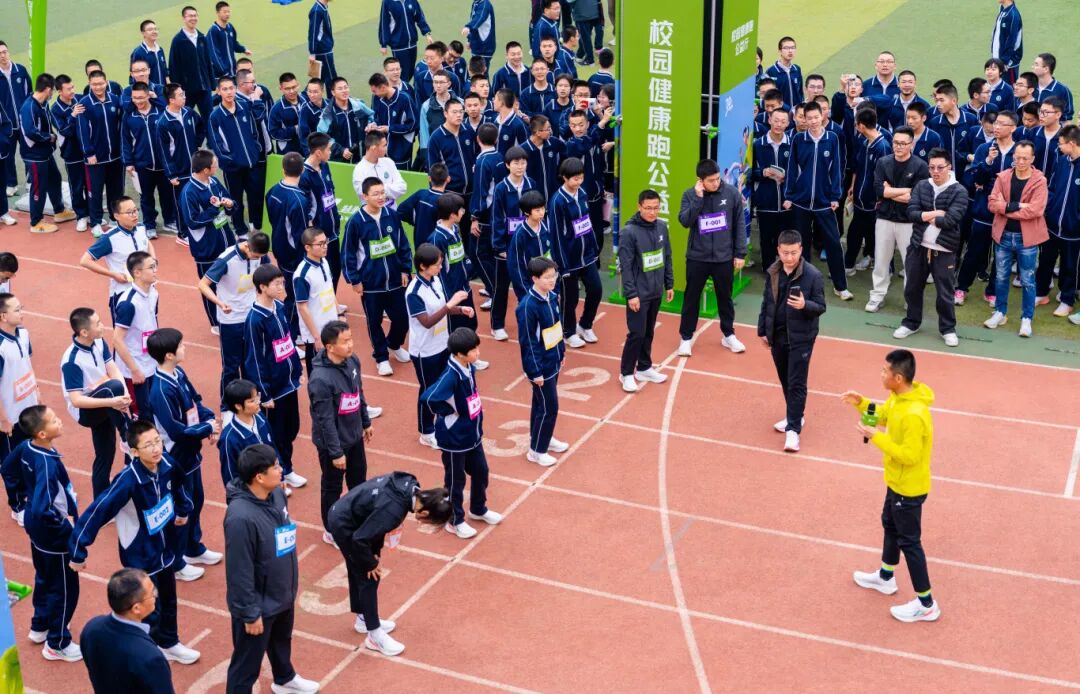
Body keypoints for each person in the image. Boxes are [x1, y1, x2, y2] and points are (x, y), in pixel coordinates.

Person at [70, 420, 202, 664]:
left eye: (157, 441)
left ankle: (169, 642)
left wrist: (184, 508)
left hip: (166, 549)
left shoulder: (167, 464)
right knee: (148, 607)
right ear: (134, 451)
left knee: (169, 599)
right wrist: (78, 548)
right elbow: (98, 511)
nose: (156, 448)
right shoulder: (127, 481)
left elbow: (179, 484)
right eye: (148, 445)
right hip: (140, 554)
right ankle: (148, 650)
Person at [845, 349, 940, 623]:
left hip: (909, 488)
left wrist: (876, 437)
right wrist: (862, 403)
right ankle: (886, 577)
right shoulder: (898, 398)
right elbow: (884, 415)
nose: (881, 374)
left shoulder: (914, 414)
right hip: (896, 481)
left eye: (885, 371)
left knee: (910, 542)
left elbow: (909, 456)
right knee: (889, 524)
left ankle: (927, 604)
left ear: (898, 378)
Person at [223, 444, 319, 694]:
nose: (281, 470)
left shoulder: (276, 494)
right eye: (275, 467)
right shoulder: (240, 518)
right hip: (259, 605)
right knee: (245, 667)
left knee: (281, 642)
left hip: (281, 592)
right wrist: (249, 613)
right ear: (259, 477)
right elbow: (239, 571)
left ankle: (284, 678)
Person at [326, 473, 451, 654]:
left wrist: (374, 553)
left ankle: (363, 619)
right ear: (424, 513)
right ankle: (374, 636)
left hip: (354, 515)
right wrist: (370, 562)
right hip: (344, 524)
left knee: (361, 568)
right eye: (429, 522)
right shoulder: (393, 511)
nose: (425, 524)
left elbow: (375, 522)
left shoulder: (410, 483)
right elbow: (360, 539)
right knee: (369, 577)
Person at [146, 328, 221, 579]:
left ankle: (193, 547)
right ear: (169, 355)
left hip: (191, 451)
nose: (184, 348)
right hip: (176, 455)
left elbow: (196, 401)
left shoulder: (179, 373)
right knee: (181, 507)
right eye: (181, 345)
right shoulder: (160, 390)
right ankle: (176, 561)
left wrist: (209, 419)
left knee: (197, 499)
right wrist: (207, 429)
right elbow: (176, 431)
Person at [419, 328, 503, 539]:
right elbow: (429, 398)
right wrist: (450, 412)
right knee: (455, 482)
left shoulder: (468, 367)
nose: (478, 353)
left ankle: (478, 508)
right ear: (459, 354)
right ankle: (454, 520)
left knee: (481, 471)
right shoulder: (450, 376)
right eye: (473, 350)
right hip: (454, 439)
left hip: (472, 435)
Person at [18, 406, 81, 661]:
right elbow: (42, 508)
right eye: (54, 420)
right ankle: (57, 642)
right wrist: (64, 526)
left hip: (36, 529)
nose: (60, 421)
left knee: (44, 577)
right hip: (53, 535)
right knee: (65, 588)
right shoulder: (46, 463)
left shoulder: (26, 447)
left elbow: (8, 469)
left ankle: (40, 626)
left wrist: (22, 499)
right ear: (42, 433)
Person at [757, 230, 826, 453]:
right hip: (777, 336)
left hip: (801, 338)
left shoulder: (813, 275)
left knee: (797, 383)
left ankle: (793, 430)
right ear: (778, 250)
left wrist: (805, 305)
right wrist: (762, 330)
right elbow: (767, 302)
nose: (789, 257)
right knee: (785, 379)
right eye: (785, 253)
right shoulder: (773, 271)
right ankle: (795, 415)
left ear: (801, 250)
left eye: (794, 253)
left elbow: (821, 306)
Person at [892, 148, 967, 346]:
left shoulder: (959, 191)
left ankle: (948, 329)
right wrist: (935, 214)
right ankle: (911, 323)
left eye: (940, 167)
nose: (935, 171)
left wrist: (925, 215)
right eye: (932, 167)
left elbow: (950, 220)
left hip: (944, 250)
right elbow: (912, 213)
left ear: (949, 167)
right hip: (918, 246)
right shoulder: (922, 185)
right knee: (912, 288)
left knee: (945, 293)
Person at [307, 320, 372, 540]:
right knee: (332, 487)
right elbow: (324, 420)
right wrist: (336, 453)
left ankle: (356, 517)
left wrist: (365, 422)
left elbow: (358, 393)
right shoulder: (320, 380)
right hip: (332, 445)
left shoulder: (352, 361)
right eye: (345, 342)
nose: (350, 344)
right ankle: (331, 530)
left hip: (354, 436)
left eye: (351, 339)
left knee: (358, 480)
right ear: (330, 347)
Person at [676, 159, 748, 357]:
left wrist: (740, 253)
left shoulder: (731, 193)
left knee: (725, 298)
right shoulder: (690, 195)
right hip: (697, 257)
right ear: (700, 180)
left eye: (717, 179)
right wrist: (698, 199)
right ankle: (686, 338)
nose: (716, 183)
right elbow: (685, 221)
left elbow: (739, 224)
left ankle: (728, 335)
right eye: (711, 180)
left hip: (724, 258)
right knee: (691, 298)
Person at [342, 178, 413, 376]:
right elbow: (348, 253)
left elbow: (403, 244)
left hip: (396, 280)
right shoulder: (356, 222)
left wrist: (405, 269)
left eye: (383, 192)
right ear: (364, 196)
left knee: (402, 318)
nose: (381, 197)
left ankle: (394, 344)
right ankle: (381, 357)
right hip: (371, 283)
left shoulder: (392, 215)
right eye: (376, 194)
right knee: (374, 322)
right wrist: (355, 280)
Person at [243, 264, 305, 491]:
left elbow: (287, 341)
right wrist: (264, 393)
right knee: (276, 433)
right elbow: (255, 359)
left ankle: (286, 468)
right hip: (273, 389)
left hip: (289, 383)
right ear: (262, 287)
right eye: (277, 284)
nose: (281, 287)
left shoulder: (279, 307)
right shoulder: (255, 320)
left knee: (292, 428)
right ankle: (281, 473)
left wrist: (297, 370)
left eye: (282, 282)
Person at [783, 101, 852, 300]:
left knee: (833, 244)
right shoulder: (798, 139)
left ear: (823, 116)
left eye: (816, 117)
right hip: (800, 203)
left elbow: (837, 168)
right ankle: (801, 286)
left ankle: (840, 286)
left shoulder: (832, 138)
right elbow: (791, 169)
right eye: (809, 118)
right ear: (803, 119)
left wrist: (835, 196)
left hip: (824, 203)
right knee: (801, 245)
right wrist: (789, 196)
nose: (813, 121)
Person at [407, 244, 473, 449]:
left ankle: (443, 422)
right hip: (424, 351)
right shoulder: (414, 292)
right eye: (436, 264)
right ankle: (426, 432)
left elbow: (441, 308)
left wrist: (459, 309)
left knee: (444, 386)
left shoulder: (435, 280)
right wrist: (451, 304)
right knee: (429, 391)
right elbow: (427, 321)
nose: (440, 267)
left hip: (442, 345)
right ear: (422, 266)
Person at [61, 308, 132, 498]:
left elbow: (113, 368)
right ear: (84, 332)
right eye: (98, 323)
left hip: (107, 402)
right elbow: (76, 400)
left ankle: (100, 503)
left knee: (105, 455)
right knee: (113, 387)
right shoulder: (72, 361)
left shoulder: (99, 342)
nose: (103, 326)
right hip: (87, 411)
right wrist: (113, 400)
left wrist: (124, 394)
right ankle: (128, 435)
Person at [985, 140, 1047, 337]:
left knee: (1028, 280)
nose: (1020, 162)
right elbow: (992, 203)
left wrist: (1006, 208)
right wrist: (1017, 206)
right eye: (1017, 157)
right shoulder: (1003, 177)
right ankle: (1000, 312)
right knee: (1001, 277)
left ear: (1032, 159)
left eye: (1025, 158)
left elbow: (1036, 210)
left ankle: (1026, 318)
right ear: (1013, 157)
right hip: (1002, 236)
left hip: (1027, 238)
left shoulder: (1040, 181)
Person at [200, 232, 272, 401]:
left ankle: (249, 402)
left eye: (260, 256)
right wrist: (219, 303)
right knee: (231, 367)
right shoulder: (226, 260)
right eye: (255, 256)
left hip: (252, 317)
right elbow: (203, 284)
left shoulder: (260, 255)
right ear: (247, 246)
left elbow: (267, 274)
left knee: (251, 363)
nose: (258, 259)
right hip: (231, 320)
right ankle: (227, 405)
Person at [957, 110, 1018, 305]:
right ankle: (961, 287)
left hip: (1006, 211)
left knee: (1002, 255)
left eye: (1002, 124)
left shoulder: (1019, 151)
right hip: (983, 209)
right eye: (996, 123)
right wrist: (988, 162)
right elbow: (976, 178)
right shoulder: (985, 148)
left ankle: (992, 291)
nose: (996, 127)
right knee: (974, 250)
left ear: (1013, 128)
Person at [81, 568, 175, 693]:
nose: (155, 595)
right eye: (152, 593)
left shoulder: (92, 628)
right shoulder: (150, 657)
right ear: (136, 608)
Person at [866, 126, 929, 313]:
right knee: (881, 260)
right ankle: (877, 295)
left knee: (911, 263)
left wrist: (890, 191)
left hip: (908, 221)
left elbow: (915, 196)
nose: (898, 146)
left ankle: (911, 299)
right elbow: (880, 190)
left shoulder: (920, 166)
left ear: (911, 144)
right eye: (895, 142)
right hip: (884, 218)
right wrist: (901, 192)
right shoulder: (883, 162)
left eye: (903, 143)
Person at [514, 256, 569, 466]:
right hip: (541, 367)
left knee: (540, 405)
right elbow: (528, 342)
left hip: (553, 360)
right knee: (549, 407)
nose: (552, 280)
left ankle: (542, 437)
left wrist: (561, 351)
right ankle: (537, 451)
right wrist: (535, 371)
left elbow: (556, 326)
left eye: (553, 276)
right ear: (535, 279)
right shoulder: (528, 307)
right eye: (547, 277)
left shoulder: (552, 297)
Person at [619, 189, 675, 393]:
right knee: (637, 333)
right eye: (648, 208)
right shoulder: (629, 232)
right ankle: (626, 373)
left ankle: (644, 367)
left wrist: (669, 283)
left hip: (655, 290)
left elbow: (666, 256)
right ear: (639, 207)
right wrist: (631, 294)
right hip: (638, 293)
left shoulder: (662, 227)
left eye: (656, 208)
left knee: (649, 331)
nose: (652, 212)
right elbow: (626, 266)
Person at [180, 149, 240, 330]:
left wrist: (229, 204)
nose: (217, 167)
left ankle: (232, 312)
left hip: (226, 241)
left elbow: (229, 200)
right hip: (206, 248)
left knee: (230, 279)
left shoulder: (213, 182)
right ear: (206, 170)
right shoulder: (189, 192)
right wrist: (215, 209)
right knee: (210, 285)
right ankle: (215, 322)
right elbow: (192, 221)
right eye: (215, 165)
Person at [549, 158, 601, 348]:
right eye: (575, 179)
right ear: (564, 177)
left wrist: (594, 248)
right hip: (569, 260)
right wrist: (562, 265)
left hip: (587, 255)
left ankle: (585, 325)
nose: (578, 182)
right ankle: (568, 332)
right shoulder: (558, 201)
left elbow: (587, 223)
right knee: (569, 299)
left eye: (581, 178)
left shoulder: (582, 193)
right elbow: (556, 235)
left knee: (596, 289)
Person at [80, 194, 157, 324]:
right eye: (129, 212)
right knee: (124, 331)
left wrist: (153, 260)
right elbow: (85, 261)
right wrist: (113, 274)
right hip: (123, 293)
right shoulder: (109, 238)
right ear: (116, 216)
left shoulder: (141, 227)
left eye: (135, 210)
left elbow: (147, 242)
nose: (134, 215)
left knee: (149, 328)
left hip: (146, 289)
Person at [266, 152, 313, 341]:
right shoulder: (299, 200)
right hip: (294, 256)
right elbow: (300, 235)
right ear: (302, 170)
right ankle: (292, 336)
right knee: (293, 296)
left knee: (289, 291)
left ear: (283, 169)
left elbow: (273, 219)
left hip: (279, 248)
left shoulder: (273, 191)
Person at [0, 292, 38, 522]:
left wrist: (36, 391)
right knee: (11, 463)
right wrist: (3, 418)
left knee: (31, 455)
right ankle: (18, 506)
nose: (21, 312)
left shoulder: (23, 333)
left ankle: (32, 497)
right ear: (3, 316)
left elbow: (27, 364)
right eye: (16, 310)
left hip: (29, 409)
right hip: (10, 417)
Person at [19, 73, 74, 234]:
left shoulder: (43, 104)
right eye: (53, 91)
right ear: (48, 90)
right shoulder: (29, 107)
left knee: (55, 179)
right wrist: (49, 137)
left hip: (45, 153)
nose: (53, 94)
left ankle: (59, 211)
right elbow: (30, 131)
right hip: (34, 156)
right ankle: (36, 222)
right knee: (39, 188)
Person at [208, 76, 263, 233]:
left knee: (255, 196)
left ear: (235, 89)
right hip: (233, 168)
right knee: (235, 199)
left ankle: (256, 224)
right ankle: (240, 230)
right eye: (224, 89)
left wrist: (255, 150)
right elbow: (217, 144)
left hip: (252, 163)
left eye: (231, 88)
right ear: (219, 92)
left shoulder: (244, 106)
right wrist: (231, 161)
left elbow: (254, 132)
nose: (229, 92)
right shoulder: (215, 116)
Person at [121, 83, 173, 239]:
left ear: (148, 96)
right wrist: (129, 163)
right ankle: (150, 225)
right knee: (146, 197)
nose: (138, 101)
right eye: (135, 98)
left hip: (164, 164)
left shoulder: (161, 111)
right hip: (142, 165)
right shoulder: (129, 117)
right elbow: (125, 141)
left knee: (167, 194)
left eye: (141, 97)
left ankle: (169, 220)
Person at [112, 252, 160, 421]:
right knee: (141, 414)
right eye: (151, 267)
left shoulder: (154, 293)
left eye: (155, 266)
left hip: (150, 360)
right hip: (134, 366)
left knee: (154, 407)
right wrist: (134, 370)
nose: (155, 270)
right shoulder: (128, 303)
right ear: (137, 273)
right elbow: (117, 339)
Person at [78, 70, 125, 238]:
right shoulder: (84, 104)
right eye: (94, 84)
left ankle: (114, 219)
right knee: (95, 192)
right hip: (95, 158)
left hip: (116, 156)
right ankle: (96, 222)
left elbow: (122, 125)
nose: (98, 87)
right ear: (89, 84)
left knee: (116, 190)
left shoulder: (115, 100)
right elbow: (82, 131)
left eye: (101, 83)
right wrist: (89, 153)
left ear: (106, 82)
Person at [158, 83, 206, 247]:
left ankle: (195, 228)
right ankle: (182, 233)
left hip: (195, 168)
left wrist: (197, 142)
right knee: (181, 204)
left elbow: (201, 126)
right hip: (179, 171)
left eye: (184, 94)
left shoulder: (189, 112)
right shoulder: (163, 123)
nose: (184, 97)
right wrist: (171, 174)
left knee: (196, 199)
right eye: (180, 95)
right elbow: (164, 151)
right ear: (171, 100)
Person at [846, 108, 891, 275]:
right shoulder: (865, 143)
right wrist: (853, 187)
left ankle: (885, 268)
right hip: (860, 201)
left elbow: (886, 177)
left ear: (862, 126)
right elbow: (859, 169)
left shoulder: (883, 147)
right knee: (856, 232)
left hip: (874, 203)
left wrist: (879, 199)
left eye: (856, 124)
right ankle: (850, 264)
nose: (855, 127)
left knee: (876, 236)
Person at [1043, 124, 1080, 319]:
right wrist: (1049, 210)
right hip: (1052, 225)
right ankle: (1041, 293)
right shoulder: (1062, 161)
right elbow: (1052, 188)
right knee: (1046, 261)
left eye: (1061, 143)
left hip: (1074, 231)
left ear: (1072, 144)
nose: (1059, 146)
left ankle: (1067, 300)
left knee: (1069, 266)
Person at [299, 132, 344, 291]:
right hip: (319, 234)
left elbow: (331, 192)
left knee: (336, 269)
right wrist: (314, 229)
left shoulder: (325, 166)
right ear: (318, 152)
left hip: (333, 230)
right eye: (328, 149)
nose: (331, 152)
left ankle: (332, 301)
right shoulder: (304, 175)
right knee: (322, 273)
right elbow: (306, 207)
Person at [294, 227, 339, 375]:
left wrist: (339, 315)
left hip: (331, 329)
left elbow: (330, 289)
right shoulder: (302, 275)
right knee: (318, 376)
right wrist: (316, 337)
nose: (325, 246)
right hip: (317, 335)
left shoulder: (324, 261)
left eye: (326, 242)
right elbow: (302, 307)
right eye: (320, 244)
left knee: (334, 372)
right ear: (307, 247)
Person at [218, 379, 278, 488]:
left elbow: (273, 448)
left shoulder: (261, 419)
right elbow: (230, 476)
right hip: (252, 493)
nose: (258, 402)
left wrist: (280, 476)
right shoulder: (229, 439)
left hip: (270, 485)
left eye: (257, 397)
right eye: (252, 401)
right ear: (238, 406)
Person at [752, 109, 792, 269]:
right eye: (776, 120)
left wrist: (787, 177)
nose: (779, 124)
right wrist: (762, 172)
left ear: (788, 123)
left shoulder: (792, 143)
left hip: (786, 201)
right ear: (769, 120)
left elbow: (799, 171)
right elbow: (748, 172)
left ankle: (784, 266)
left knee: (784, 238)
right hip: (765, 200)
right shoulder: (758, 144)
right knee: (766, 237)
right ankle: (768, 268)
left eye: (783, 121)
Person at [49, 74, 89, 231]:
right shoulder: (55, 109)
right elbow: (65, 131)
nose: (72, 91)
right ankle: (81, 216)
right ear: (59, 91)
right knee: (77, 186)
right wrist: (73, 115)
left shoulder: (79, 99)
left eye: (73, 87)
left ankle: (92, 214)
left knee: (90, 184)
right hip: (71, 153)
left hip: (87, 150)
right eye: (68, 89)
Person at [168, 6, 215, 119]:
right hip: (186, 91)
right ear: (184, 18)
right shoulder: (178, 40)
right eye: (190, 16)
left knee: (209, 118)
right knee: (185, 119)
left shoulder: (202, 37)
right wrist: (177, 90)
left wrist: (212, 84)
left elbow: (208, 62)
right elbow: (173, 66)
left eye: (195, 16)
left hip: (204, 88)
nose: (193, 18)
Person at [507, 190, 555, 299]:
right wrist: (525, 294)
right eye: (537, 210)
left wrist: (555, 287)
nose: (541, 213)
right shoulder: (520, 235)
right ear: (527, 212)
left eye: (542, 208)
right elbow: (516, 268)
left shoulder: (546, 227)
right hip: (530, 289)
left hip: (548, 285)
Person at [0, 41, 32, 195]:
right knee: (8, 156)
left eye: (4, 52)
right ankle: (11, 184)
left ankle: (31, 182)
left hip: (25, 123)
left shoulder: (21, 70)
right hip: (7, 126)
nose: (2, 56)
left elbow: (30, 94)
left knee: (29, 153)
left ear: (9, 52)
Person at [367, 73, 417, 170]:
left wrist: (390, 129)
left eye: (374, 91)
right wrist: (373, 125)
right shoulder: (379, 100)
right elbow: (377, 119)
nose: (374, 94)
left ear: (383, 88)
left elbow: (413, 124)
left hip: (401, 153)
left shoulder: (405, 99)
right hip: (382, 154)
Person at [378, 0, 432, 84]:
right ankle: (400, 90)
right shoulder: (387, 2)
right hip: (398, 46)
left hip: (412, 44)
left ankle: (401, 88)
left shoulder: (412, 1)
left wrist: (427, 33)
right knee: (402, 74)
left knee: (410, 71)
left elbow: (419, 16)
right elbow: (384, 23)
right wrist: (383, 44)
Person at [398, 162, 449, 248]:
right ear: (448, 179)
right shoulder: (446, 201)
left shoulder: (421, 194)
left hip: (419, 244)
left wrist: (416, 221)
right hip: (438, 246)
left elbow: (401, 210)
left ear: (429, 178)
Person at [353, 131, 407, 208]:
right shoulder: (359, 170)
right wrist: (390, 189)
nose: (386, 148)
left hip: (392, 212)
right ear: (374, 148)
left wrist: (377, 190)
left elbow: (402, 187)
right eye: (384, 145)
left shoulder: (388, 162)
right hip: (373, 214)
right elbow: (366, 196)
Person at [207, 1, 248, 81]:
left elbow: (234, 43)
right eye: (225, 12)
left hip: (233, 72)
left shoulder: (230, 27)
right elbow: (214, 54)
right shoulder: (213, 31)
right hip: (221, 76)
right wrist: (223, 72)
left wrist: (243, 49)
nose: (227, 14)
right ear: (218, 13)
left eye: (228, 12)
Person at [269, 72, 304, 156]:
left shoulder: (305, 101)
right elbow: (273, 133)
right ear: (281, 88)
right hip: (288, 154)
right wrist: (295, 129)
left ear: (298, 85)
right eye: (287, 89)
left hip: (307, 149)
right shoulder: (276, 109)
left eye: (294, 87)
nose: (291, 91)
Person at [1032, 53, 1073, 122]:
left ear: (1046, 69)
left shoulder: (1062, 90)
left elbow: (1067, 118)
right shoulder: (1029, 86)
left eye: (1036, 64)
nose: (1033, 67)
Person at [766, 37, 803, 108]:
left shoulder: (797, 69)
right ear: (780, 51)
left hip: (797, 112)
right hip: (780, 112)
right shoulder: (771, 71)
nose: (790, 51)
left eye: (792, 48)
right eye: (786, 48)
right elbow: (769, 96)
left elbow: (800, 92)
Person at [991, 0, 1023, 83]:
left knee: (1009, 89)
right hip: (997, 61)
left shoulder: (1013, 15)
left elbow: (1011, 40)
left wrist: (1005, 61)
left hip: (1007, 64)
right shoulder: (1003, 10)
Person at [132, 19, 169, 86]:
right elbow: (135, 76)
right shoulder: (138, 53)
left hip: (162, 90)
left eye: (155, 29)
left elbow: (165, 71)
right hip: (148, 90)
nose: (154, 32)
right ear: (143, 33)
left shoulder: (160, 50)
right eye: (150, 30)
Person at [308, 0, 336, 85]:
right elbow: (313, 32)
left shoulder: (323, 7)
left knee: (319, 79)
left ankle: (308, 92)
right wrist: (312, 52)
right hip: (323, 50)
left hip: (325, 49)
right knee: (331, 79)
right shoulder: (317, 11)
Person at [462, 0, 497, 67]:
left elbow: (480, 18)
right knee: (475, 70)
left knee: (480, 71)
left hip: (484, 47)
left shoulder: (485, 4)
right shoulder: (477, 3)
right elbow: (474, 20)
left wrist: (468, 27)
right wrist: (469, 40)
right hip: (477, 45)